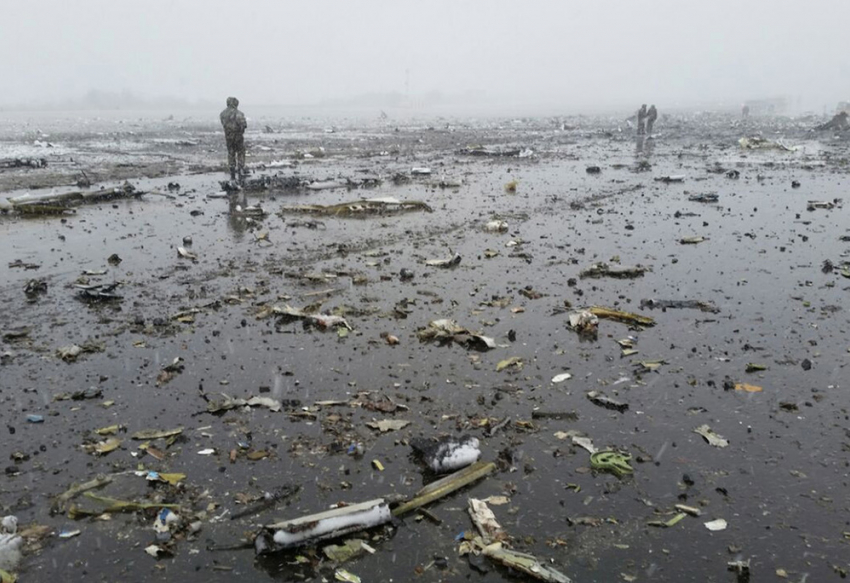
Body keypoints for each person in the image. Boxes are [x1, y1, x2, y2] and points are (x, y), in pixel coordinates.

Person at [220, 97, 247, 180]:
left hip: (228, 137)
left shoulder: (222, 114)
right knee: (240, 152)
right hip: (238, 136)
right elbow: (243, 124)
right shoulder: (238, 113)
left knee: (231, 153)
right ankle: (240, 169)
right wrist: (241, 130)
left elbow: (223, 124)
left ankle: (232, 170)